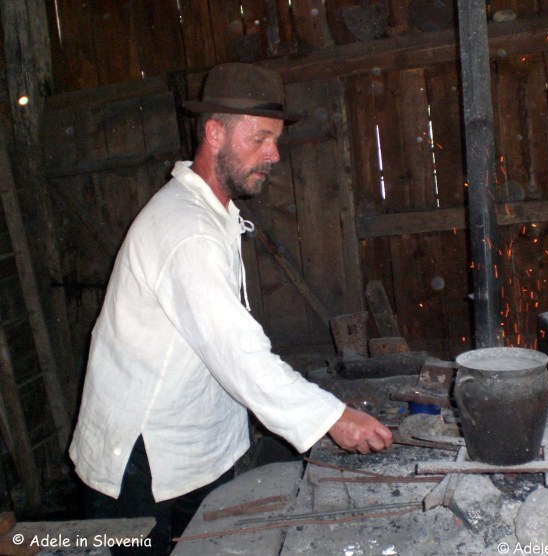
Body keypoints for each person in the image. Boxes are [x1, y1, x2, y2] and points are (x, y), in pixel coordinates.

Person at [68, 62, 393, 555]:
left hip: (193, 451)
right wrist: (331, 417)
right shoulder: (186, 229)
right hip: (141, 458)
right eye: (260, 139)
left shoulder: (212, 212)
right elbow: (236, 351)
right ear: (215, 134)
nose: (274, 154)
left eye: (275, 140)